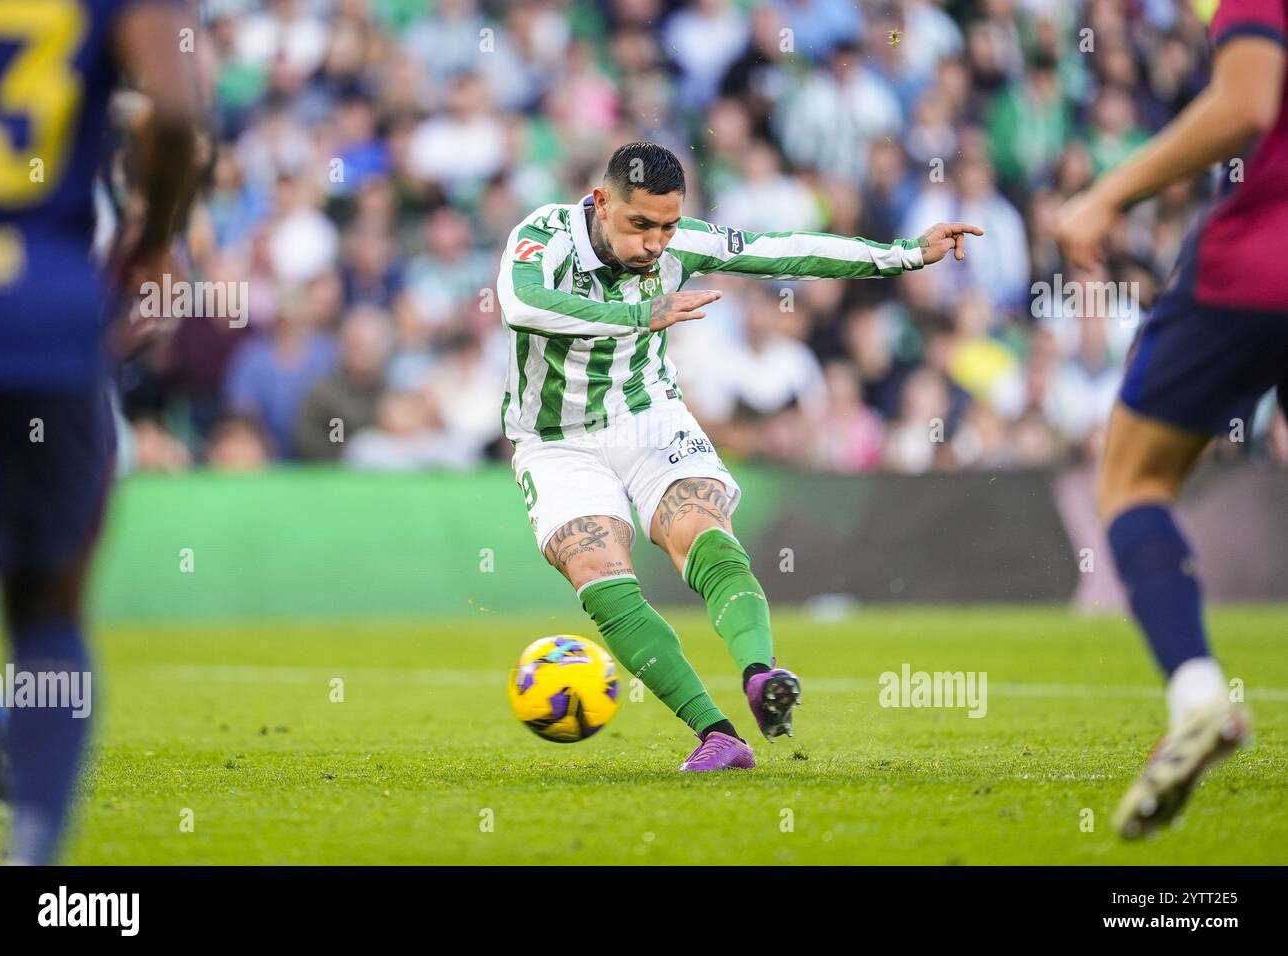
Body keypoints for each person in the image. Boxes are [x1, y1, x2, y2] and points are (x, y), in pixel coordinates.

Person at [499, 141, 981, 771]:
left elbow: (782, 249)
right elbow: (520, 305)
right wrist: (641, 312)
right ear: (600, 203)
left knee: (703, 532)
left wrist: (906, 254)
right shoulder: (543, 236)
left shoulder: (681, 244)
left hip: (647, 414)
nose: (655, 243)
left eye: (668, 226)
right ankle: (716, 734)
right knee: (601, 574)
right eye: (639, 225)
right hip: (553, 438)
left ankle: (761, 675)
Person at [1055, 0, 1286, 838]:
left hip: (1260, 265)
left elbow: (1247, 102)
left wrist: (1108, 192)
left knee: (1133, 480)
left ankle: (1197, 697)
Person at [0, 0, 200, 863]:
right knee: (45, 609)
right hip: (46, 319)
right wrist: (153, 241)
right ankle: (35, 855)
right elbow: (179, 110)